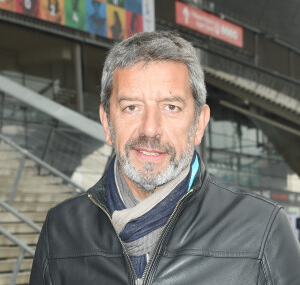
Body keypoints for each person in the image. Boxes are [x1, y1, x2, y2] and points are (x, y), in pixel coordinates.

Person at [30, 31, 300, 284]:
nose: (150, 128)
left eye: (171, 107)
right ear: (107, 122)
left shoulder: (261, 230)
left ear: (199, 124)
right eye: (131, 107)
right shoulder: (60, 230)